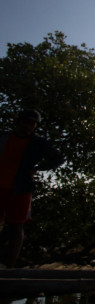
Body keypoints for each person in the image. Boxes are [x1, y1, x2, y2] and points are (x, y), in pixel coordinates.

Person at [0, 109, 64, 268]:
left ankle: (10, 266)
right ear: (18, 121)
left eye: (32, 124)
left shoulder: (39, 143)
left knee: (16, 226)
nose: (28, 126)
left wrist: (38, 168)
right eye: (25, 122)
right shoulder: (3, 137)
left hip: (20, 188)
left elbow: (58, 158)